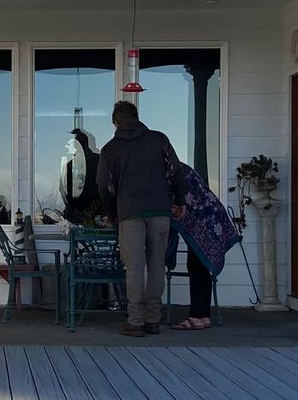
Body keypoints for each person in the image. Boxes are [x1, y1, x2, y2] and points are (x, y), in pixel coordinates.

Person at [96, 100, 188, 337]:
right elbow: (176, 171)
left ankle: (135, 321)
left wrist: (112, 213)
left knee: (134, 269)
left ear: (115, 122)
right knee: (156, 265)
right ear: (136, 117)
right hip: (159, 211)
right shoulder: (159, 140)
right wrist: (180, 201)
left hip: (130, 214)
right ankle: (153, 319)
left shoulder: (110, 149)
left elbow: (103, 186)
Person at [166, 160, 241, 330]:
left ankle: (197, 317)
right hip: (211, 216)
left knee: (197, 266)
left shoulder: (170, 174)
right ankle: (203, 316)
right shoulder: (177, 168)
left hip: (205, 219)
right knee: (200, 267)